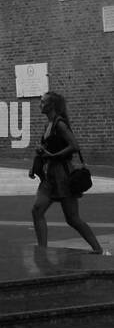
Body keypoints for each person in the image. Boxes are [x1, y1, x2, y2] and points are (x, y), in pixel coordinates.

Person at [31, 92, 104, 254]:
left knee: (72, 218)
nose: (40, 104)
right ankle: (42, 249)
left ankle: (97, 249)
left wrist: (54, 155)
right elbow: (48, 148)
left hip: (62, 175)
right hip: (49, 175)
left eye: (43, 102)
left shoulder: (59, 124)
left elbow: (75, 146)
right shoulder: (48, 124)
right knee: (37, 210)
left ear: (52, 105)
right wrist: (40, 156)